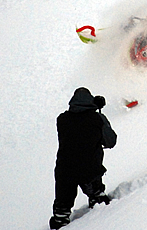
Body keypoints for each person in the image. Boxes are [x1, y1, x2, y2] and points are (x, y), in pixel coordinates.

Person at [49, 87, 117, 230]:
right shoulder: (97, 119)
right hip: (90, 170)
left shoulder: (62, 119)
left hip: (64, 171)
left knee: (61, 211)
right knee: (99, 201)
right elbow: (110, 141)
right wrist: (98, 112)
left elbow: (78, 126)